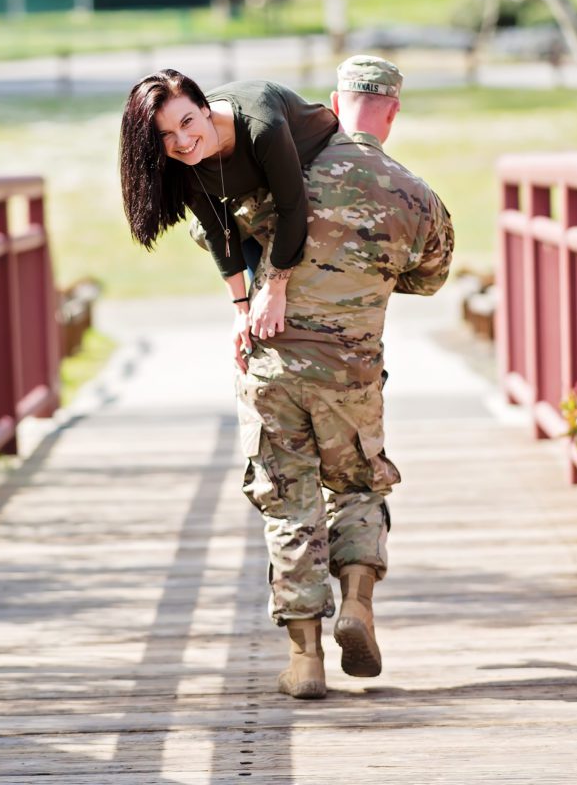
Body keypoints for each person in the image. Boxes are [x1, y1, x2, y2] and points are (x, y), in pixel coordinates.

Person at [227, 55, 454, 699]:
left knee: (288, 502)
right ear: (393, 111)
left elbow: (212, 231)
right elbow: (429, 277)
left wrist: (248, 298)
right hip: (351, 370)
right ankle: (357, 603)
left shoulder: (280, 168)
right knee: (356, 485)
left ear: (334, 100)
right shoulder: (415, 194)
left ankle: (305, 662)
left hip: (271, 363)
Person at [119, 71, 340, 364]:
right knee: (259, 316)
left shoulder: (262, 126)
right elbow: (215, 227)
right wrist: (241, 309)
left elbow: (291, 207)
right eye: (165, 134)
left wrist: (274, 288)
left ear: (204, 108)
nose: (182, 141)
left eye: (187, 122)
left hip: (319, 168)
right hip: (259, 195)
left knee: (285, 297)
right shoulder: (178, 161)